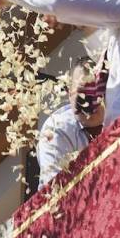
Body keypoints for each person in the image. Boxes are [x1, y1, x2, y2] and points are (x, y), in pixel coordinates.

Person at [37, 57, 104, 188]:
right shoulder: (56, 129)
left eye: (94, 92)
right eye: (81, 93)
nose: (87, 103)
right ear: (69, 94)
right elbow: (54, 189)